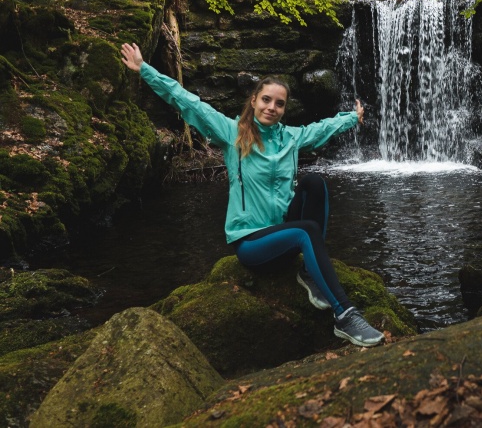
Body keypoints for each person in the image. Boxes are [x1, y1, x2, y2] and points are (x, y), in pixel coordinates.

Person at [120, 42, 384, 347]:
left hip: (282, 230)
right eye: (267, 100)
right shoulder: (232, 133)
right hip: (252, 242)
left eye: (279, 103)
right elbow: (187, 102)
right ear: (254, 100)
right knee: (307, 231)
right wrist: (145, 70)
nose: (272, 107)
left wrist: (352, 117)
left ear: (285, 109)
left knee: (314, 183)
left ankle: (311, 274)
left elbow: (321, 129)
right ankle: (345, 316)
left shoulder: (291, 138)